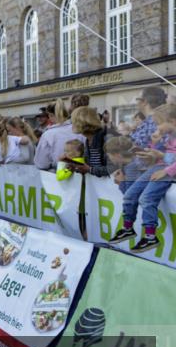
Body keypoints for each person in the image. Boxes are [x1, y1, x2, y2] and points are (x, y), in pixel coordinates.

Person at [108, 104, 176, 253]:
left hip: (167, 170)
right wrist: (153, 145)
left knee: (146, 198)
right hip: (159, 167)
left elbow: (170, 158)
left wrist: (166, 171)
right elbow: (159, 154)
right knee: (130, 195)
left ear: (172, 121)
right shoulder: (169, 136)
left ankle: (150, 236)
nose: (157, 127)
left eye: (159, 124)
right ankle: (127, 227)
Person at [33, 98, 85, 170]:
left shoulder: (48, 134)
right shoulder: (79, 129)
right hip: (81, 171)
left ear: (51, 115)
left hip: (58, 174)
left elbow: (41, 164)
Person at [63, 107, 110, 178]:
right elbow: (88, 166)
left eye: (73, 121)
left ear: (82, 122)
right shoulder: (88, 140)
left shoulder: (106, 139)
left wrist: (89, 169)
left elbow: (113, 169)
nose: (71, 125)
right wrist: (75, 167)